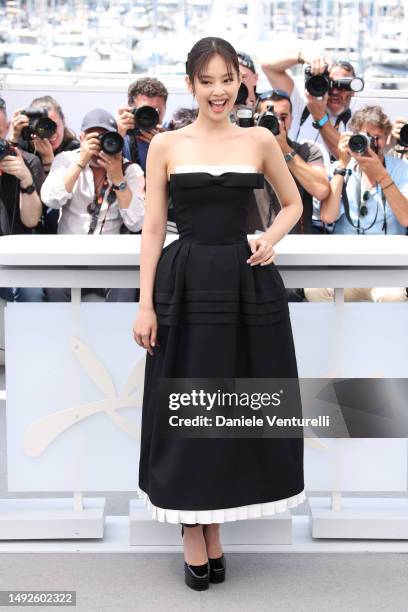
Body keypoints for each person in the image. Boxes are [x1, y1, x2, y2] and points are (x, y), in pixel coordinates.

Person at [132, 36, 306, 591]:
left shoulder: (258, 139)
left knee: (231, 405)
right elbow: (154, 229)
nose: (217, 91)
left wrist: (271, 236)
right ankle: (193, 529)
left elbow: (294, 204)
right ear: (190, 84)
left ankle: (214, 527)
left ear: (240, 80)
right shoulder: (166, 144)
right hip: (182, 282)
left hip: (244, 279)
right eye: (206, 81)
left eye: (225, 79)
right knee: (186, 402)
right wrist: (144, 303)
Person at [305, 105, 408, 302]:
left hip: (387, 268)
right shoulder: (341, 169)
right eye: (364, 137)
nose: (370, 144)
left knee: (392, 296)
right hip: (345, 265)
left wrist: (381, 174)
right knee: (314, 290)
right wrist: (342, 165)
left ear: (386, 139)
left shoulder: (402, 170)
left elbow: (406, 218)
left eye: (375, 138)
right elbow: (328, 216)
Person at [41, 108, 145, 302]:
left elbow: (137, 223)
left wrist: (118, 178)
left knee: (126, 285)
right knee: (55, 287)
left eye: (105, 138)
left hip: (110, 261)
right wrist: (81, 162)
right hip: (69, 258)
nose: (99, 145)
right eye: (93, 139)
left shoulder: (129, 170)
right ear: (81, 138)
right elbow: (50, 199)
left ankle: (116, 333)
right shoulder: (66, 160)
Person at [9, 95, 79, 233]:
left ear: (64, 122)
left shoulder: (74, 149)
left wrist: (49, 161)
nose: (52, 132)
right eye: (44, 126)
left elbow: (56, 200)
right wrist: (14, 137)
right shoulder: (23, 146)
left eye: (55, 125)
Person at [0, 97, 45, 302]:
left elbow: (31, 220)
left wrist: (26, 179)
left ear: (8, 128)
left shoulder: (28, 161)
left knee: (32, 292)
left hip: (17, 256)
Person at [116, 77, 168, 174]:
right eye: (144, 111)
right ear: (130, 109)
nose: (149, 117)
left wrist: (167, 147)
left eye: (156, 112)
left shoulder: (173, 136)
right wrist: (117, 137)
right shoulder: (121, 135)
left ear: (165, 108)